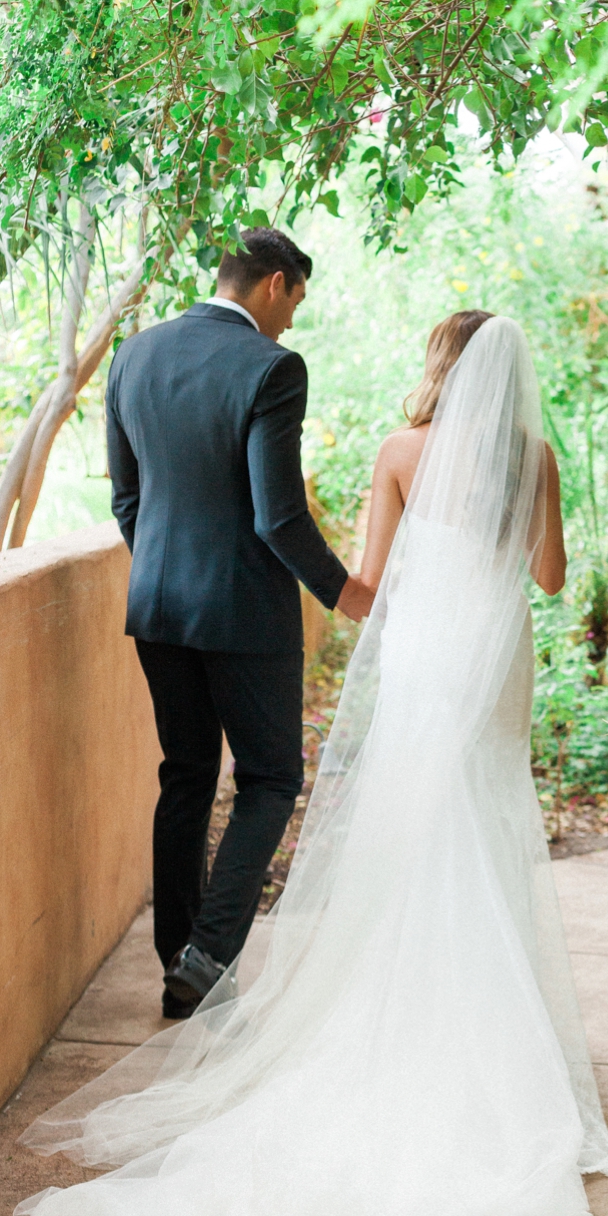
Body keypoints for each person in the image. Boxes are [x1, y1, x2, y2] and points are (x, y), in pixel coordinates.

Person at [12, 313, 608, 1216]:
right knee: (486, 821)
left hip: (428, 654)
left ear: (440, 368)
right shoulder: (535, 454)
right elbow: (549, 578)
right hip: (496, 658)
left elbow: (370, 589)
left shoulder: (398, 451)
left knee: (413, 829)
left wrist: (399, 612)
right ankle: (491, 1032)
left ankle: (401, 1005)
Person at [105, 228, 373, 1018]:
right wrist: (344, 592)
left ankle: (178, 966)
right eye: (294, 300)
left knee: (185, 774)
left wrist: (166, 569)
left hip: (157, 606)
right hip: (244, 616)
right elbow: (278, 516)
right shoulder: (271, 367)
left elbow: (128, 501)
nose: (291, 321)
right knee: (270, 778)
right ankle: (211, 950)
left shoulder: (135, 354)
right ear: (274, 284)